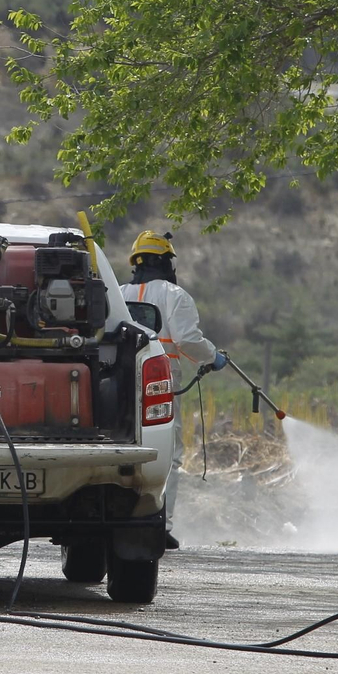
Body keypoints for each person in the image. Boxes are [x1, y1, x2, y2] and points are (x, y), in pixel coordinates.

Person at [120, 229, 226, 549]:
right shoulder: (173, 295)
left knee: (122, 449)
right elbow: (188, 340)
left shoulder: (118, 293)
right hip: (160, 382)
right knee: (167, 452)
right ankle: (158, 523)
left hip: (118, 381)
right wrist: (213, 356)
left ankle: (120, 514)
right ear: (166, 262)